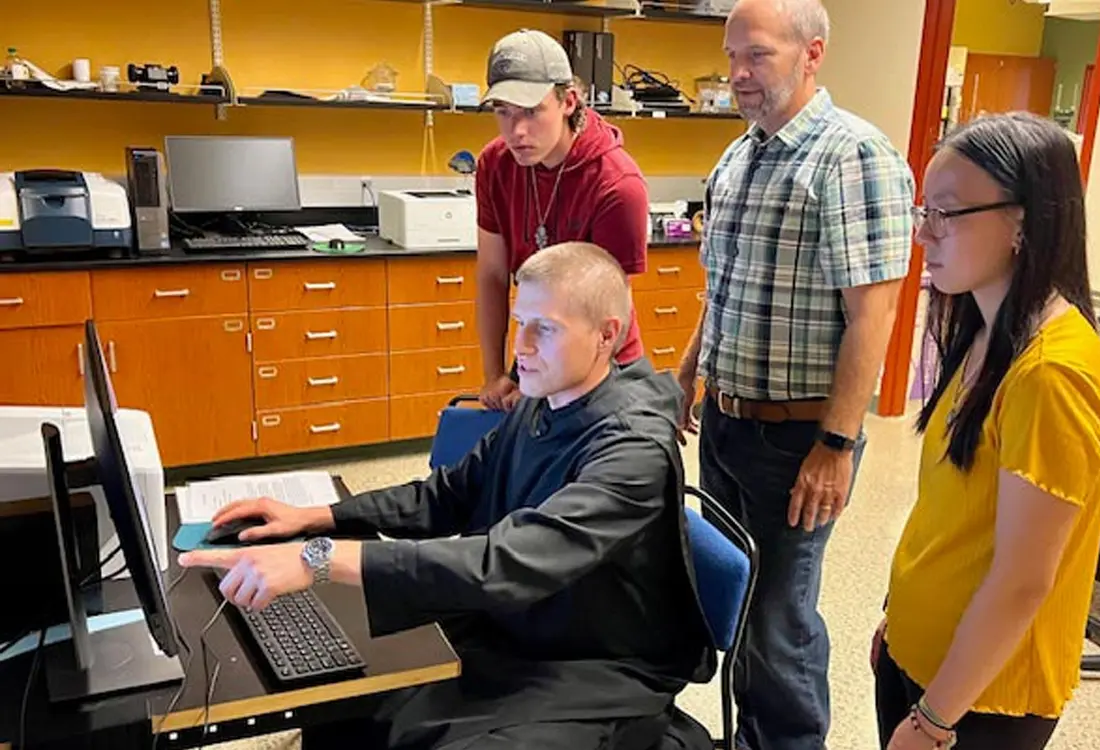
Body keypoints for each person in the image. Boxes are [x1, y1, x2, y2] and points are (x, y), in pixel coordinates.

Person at [180, 242, 716, 749]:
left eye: (544, 330)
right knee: (350, 696)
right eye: (518, 324)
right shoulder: (543, 395)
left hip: (598, 661)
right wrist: (315, 517)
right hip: (519, 622)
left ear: (607, 335)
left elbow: (508, 558)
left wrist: (316, 558)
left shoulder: (633, 448)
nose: (520, 348)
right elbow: (446, 495)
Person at [675, 0, 916, 747]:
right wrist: (687, 375)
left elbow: (873, 318)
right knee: (736, 601)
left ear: (812, 53)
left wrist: (837, 446)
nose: (739, 74)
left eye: (759, 56)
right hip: (727, 422)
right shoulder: (741, 154)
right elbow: (722, 289)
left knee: (780, 624)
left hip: (799, 440)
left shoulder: (853, 155)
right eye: (732, 56)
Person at [873, 113, 1100, 750]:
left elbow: (1022, 581)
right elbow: (951, 512)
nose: (923, 234)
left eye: (946, 214)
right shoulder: (987, 331)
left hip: (979, 701)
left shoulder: (1053, 373)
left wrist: (933, 720)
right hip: (924, 661)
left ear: (1023, 221)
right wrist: (896, 618)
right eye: (923, 209)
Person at [474, 28, 651, 411]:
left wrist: (541, 386)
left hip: (604, 367)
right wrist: (495, 375)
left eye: (532, 112)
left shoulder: (617, 185)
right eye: (503, 112)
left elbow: (606, 316)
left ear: (568, 101)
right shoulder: (495, 164)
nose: (516, 131)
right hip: (540, 351)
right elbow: (491, 273)